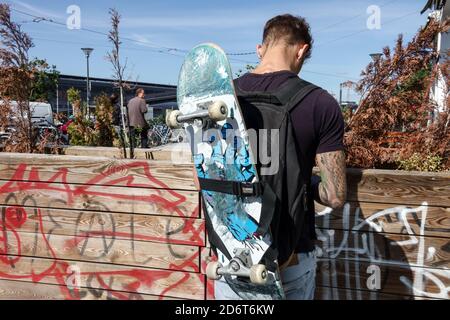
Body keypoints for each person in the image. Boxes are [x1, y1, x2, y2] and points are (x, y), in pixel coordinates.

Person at [217, 14, 347, 300]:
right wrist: (306, 181)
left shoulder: (221, 99)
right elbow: (335, 195)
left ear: (260, 49)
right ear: (301, 50)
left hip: (232, 254)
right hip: (290, 256)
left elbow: (205, 177)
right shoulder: (320, 103)